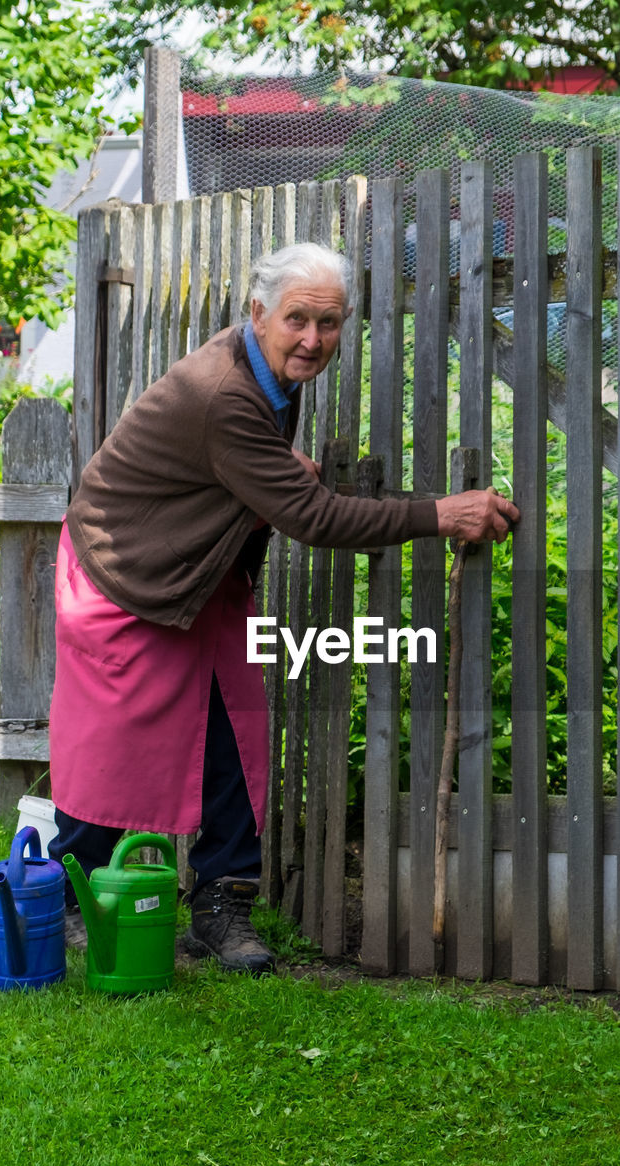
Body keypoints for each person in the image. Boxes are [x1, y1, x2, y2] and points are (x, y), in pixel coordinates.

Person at [47, 241, 519, 974]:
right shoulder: (224, 394)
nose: (312, 340)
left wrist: (269, 473)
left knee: (234, 733)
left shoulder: (267, 374)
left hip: (197, 570)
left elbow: (263, 483)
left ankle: (219, 908)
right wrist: (441, 514)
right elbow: (314, 518)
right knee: (116, 743)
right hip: (127, 569)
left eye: (328, 324)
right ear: (259, 312)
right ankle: (72, 898)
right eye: (298, 319)